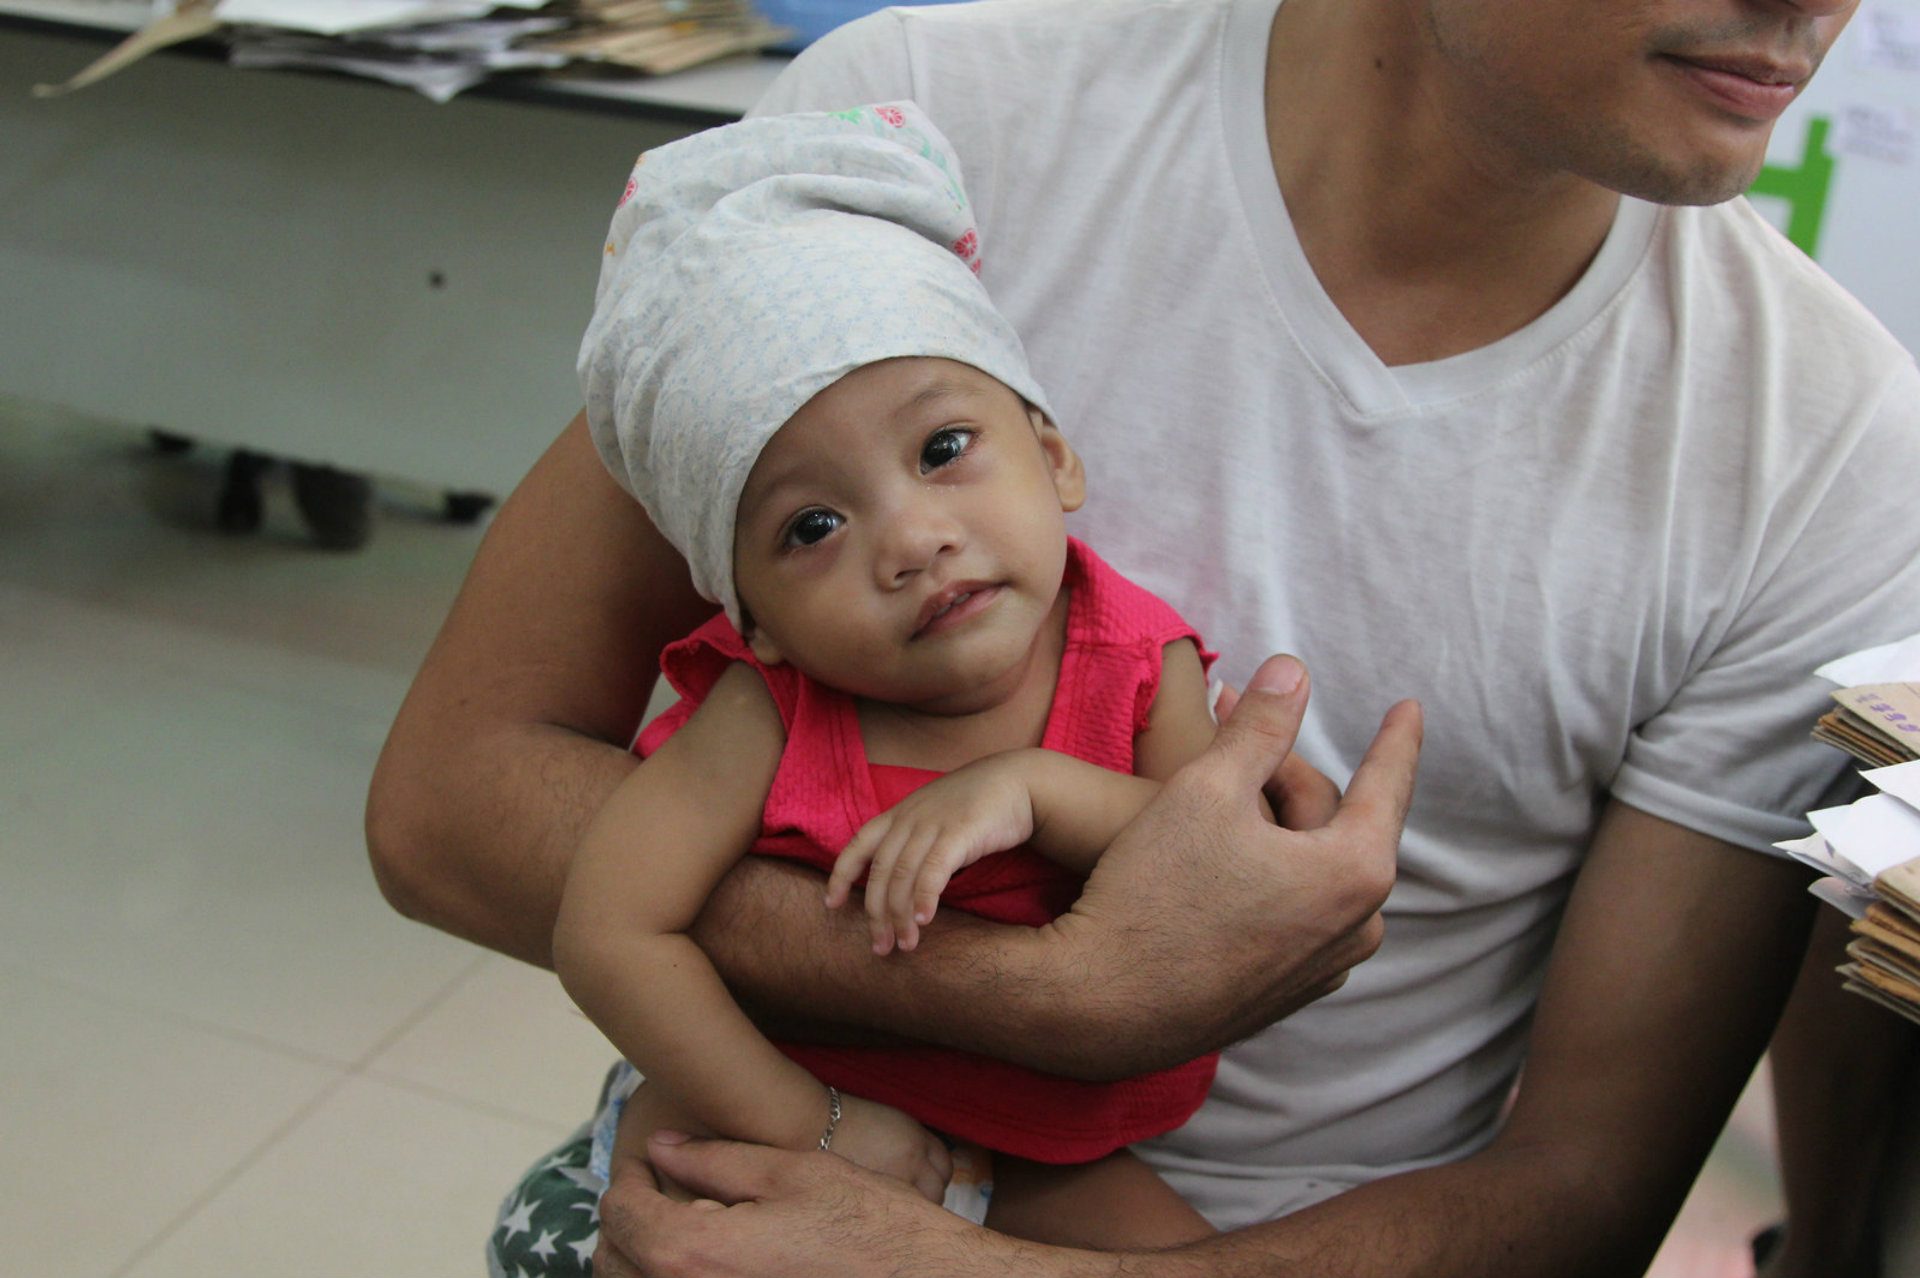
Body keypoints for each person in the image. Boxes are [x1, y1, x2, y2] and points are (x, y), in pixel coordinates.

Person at [362, 0, 1920, 1272]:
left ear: (1055, 458)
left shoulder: (1824, 442)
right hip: (791, 1156)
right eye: (827, 528)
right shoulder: (912, 139)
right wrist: (1044, 996)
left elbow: (1581, 1197)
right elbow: (452, 802)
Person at [554, 102, 1233, 1247]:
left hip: (1044, 1146)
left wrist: (1028, 789)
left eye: (943, 451)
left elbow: (1213, 866)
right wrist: (812, 1123)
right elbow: (611, 931)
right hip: (781, 1104)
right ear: (755, 620)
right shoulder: (766, 707)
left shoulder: (1132, 660)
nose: (912, 540)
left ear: (1055, 456)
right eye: (812, 524)